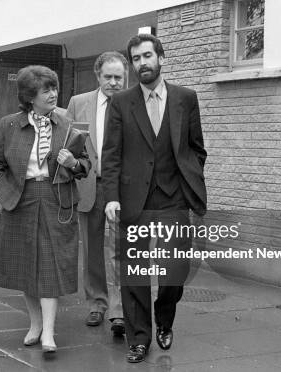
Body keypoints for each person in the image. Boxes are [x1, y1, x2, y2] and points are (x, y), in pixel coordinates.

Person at [102, 34, 207, 363]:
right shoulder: (121, 102)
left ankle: (164, 321)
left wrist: (188, 179)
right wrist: (111, 198)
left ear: (161, 58)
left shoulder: (185, 99)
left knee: (175, 270)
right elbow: (111, 155)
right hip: (134, 200)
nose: (142, 63)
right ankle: (140, 338)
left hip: (173, 199)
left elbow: (196, 148)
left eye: (147, 55)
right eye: (136, 58)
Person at [0, 65, 90, 353]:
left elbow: (86, 165)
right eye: (46, 90)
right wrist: (4, 191)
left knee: (50, 266)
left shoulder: (68, 123)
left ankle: (49, 333)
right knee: (25, 266)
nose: (53, 94)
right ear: (30, 96)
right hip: (21, 199)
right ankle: (35, 325)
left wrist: (73, 164)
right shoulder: (10, 125)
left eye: (54, 88)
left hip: (57, 198)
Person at [66, 51, 128, 335]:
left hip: (121, 188)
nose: (114, 83)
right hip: (89, 184)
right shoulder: (79, 103)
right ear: (98, 76)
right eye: (108, 77)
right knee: (91, 249)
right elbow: (68, 142)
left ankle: (119, 309)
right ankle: (97, 303)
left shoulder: (134, 103)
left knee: (119, 249)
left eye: (119, 77)